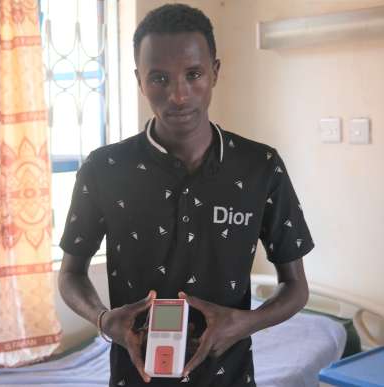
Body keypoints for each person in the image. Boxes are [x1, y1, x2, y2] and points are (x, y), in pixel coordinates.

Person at [58, 3, 314, 386]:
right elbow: (71, 274)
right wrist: (103, 319)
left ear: (215, 73)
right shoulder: (104, 169)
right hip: (134, 377)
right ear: (139, 80)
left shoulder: (261, 167)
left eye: (193, 74)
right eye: (159, 78)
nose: (179, 95)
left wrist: (245, 323)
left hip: (229, 377)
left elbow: (296, 287)